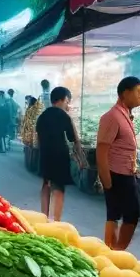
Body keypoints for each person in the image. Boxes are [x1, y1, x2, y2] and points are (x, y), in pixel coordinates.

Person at [97, 77, 140, 250]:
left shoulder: (124, 115)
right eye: (138, 92)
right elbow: (102, 149)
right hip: (117, 174)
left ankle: (112, 251)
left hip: (125, 172)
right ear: (126, 93)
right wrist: (106, 180)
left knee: (115, 214)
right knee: (130, 214)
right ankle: (116, 251)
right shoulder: (112, 117)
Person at [36, 87, 83, 222]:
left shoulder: (42, 116)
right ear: (64, 99)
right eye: (68, 102)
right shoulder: (64, 116)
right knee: (59, 187)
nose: (68, 105)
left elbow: (38, 139)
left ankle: (43, 217)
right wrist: (80, 159)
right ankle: (55, 220)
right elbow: (74, 139)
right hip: (60, 156)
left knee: (46, 184)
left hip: (45, 156)